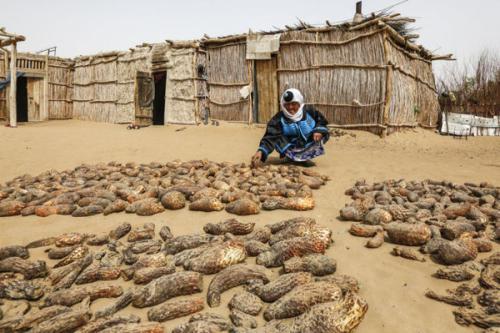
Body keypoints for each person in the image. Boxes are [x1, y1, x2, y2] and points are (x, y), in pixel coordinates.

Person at [251, 88, 329, 167]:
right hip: (291, 146)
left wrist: (318, 130)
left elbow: (322, 121)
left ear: (299, 102)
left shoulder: (310, 112)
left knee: (321, 130)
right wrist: (261, 151)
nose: (290, 107)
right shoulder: (278, 119)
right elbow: (270, 136)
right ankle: (290, 158)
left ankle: (305, 158)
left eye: (294, 104)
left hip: (308, 142)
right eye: (287, 104)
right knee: (277, 137)